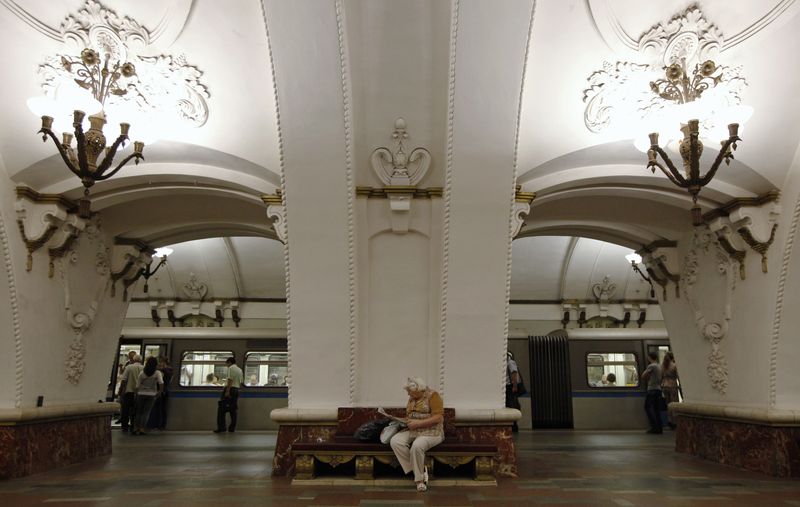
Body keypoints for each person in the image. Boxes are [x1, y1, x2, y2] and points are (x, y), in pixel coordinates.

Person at [389, 377, 444, 492]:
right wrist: (402, 421)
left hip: (432, 431)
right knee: (395, 441)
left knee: (417, 446)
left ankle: (419, 480)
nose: (408, 394)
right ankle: (417, 470)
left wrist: (418, 423)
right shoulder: (412, 398)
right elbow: (410, 416)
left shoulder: (433, 396)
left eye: (410, 391)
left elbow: (438, 417)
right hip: (413, 429)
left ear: (418, 389)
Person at [133, 357, 164, 436]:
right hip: (151, 394)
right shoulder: (157, 373)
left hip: (141, 394)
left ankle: (136, 428)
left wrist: (136, 394)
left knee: (139, 412)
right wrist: (159, 391)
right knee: (146, 412)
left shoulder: (142, 373)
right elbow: (161, 383)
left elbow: (137, 385)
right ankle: (142, 428)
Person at [214, 357, 243, 433]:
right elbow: (240, 381)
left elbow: (230, 379)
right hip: (236, 390)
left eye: (227, 364)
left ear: (229, 362)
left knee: (221, 410)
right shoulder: (240, 370)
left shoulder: (231, 368)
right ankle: (232, 428)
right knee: (233, 410)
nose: (227, 365)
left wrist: (227, 391)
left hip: (230, 389)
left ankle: (222, 428)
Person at [117, 354, 143, 433]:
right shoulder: (144, 368)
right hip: (139, 393)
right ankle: (133, 426)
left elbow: (124, 380)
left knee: (125, 410)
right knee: (135, 410)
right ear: (140, 360)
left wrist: (120, 390)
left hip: (129, 392)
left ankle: (124, 427)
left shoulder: (129, 367)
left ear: (134, 360)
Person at [641, 352, 663, 434]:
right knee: (657, 410)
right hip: (658, 389)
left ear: (649, 357)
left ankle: (654, 426)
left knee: (647, 407)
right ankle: (659, 428)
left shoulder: (651, 366)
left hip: (652, 389)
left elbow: (643, 376)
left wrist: (648, 379)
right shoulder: (659, 366)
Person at [661, 352, 680, 429]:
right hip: (672, 385)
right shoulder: (674, 365)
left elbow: (661, 376)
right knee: (674, 403)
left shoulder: (663, 366)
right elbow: (678, 376)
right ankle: (675, 421)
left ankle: (669, 421)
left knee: (668, 404)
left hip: (664, 385)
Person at [505, 351, 522, 432]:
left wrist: (514, 386)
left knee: (512, 405)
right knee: (509, 405)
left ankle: (514, 425)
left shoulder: (510, 362)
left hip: (510, 387)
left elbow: (514, 373)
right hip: (508, 387)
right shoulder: (506, 363)